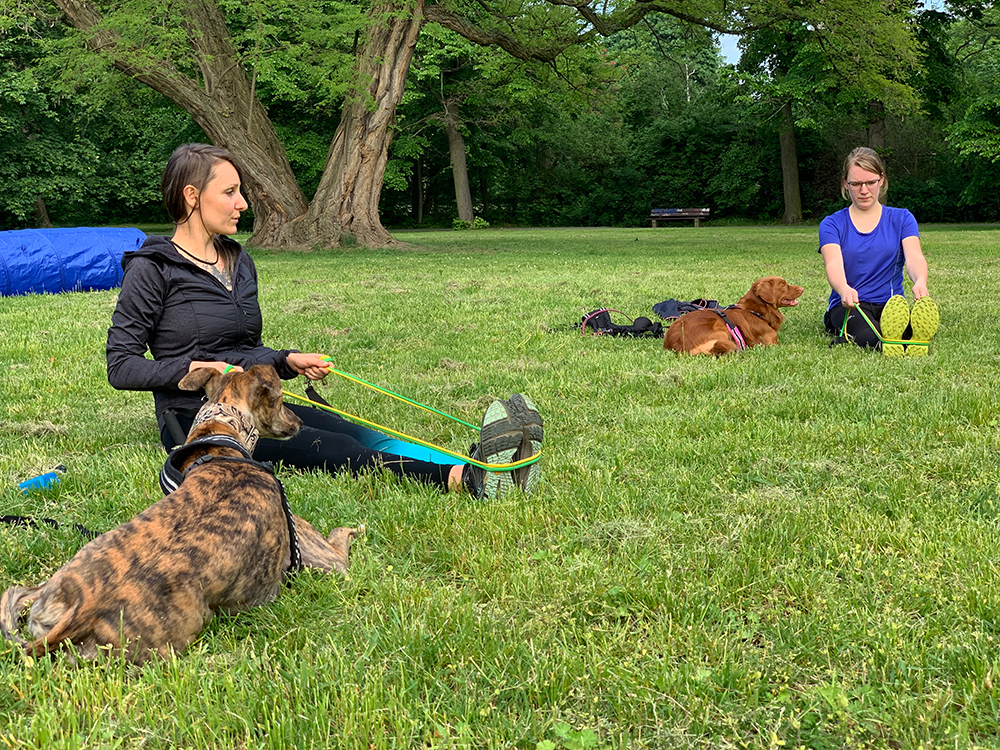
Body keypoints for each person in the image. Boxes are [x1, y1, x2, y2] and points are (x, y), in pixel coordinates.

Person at [106, 143, 542, 499]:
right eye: (230, 192)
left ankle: (479, 462)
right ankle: (465, 481)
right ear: (192, 196)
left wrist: (286, 360)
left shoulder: (239, 262)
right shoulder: (153, 268)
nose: (242, 203)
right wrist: (194, 370)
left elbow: (243, 348)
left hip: (259, 399)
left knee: (362, 433)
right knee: (339, 449)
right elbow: (121, 365)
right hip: (201, 417)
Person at [819, 147, 939, 355]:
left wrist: (920, 281)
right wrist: (843, 288)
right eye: (856, 184)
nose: (864, 190)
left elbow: (914, 257)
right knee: (870, 336)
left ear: (881, 180)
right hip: (850, 307)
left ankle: (909, 338)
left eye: (870, 182)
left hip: (892, 306)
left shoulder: (902, 218)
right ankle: (896, 342)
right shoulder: (832, 224)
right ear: (845, 184)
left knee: (905, 329)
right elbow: (833, 264)